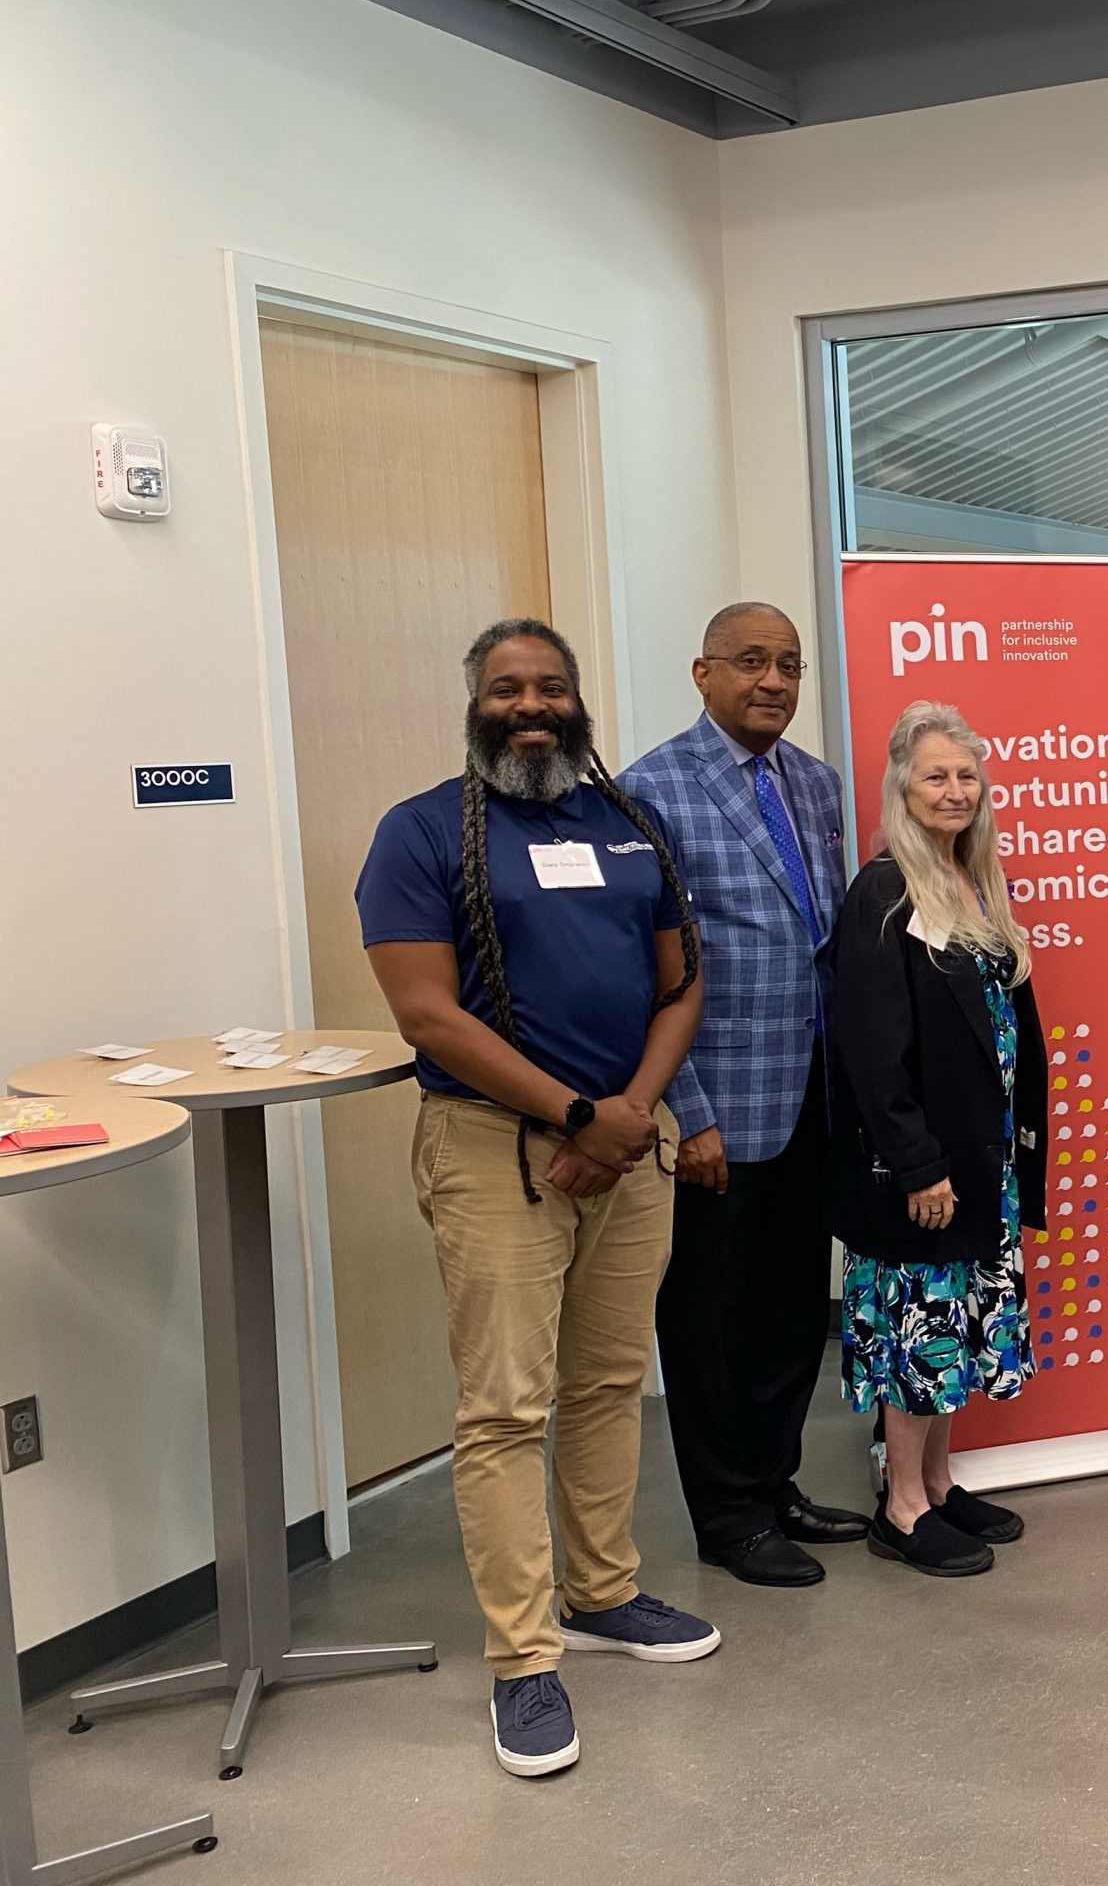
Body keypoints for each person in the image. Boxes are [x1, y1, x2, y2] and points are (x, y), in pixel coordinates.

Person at [358, 618, 719, 1781]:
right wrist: (575, 1116)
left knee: (610, 1381)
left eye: (550, 687)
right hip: (495, 1149)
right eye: (508, 689)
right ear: (476, 703)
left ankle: (602, 1590)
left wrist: (626, 1119)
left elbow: (681, 988)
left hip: (627, 1145)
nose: (531, 706)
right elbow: (430, 1017)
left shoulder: (626, 822)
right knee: (507, 1407)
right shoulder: (418, 834)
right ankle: (522, 1657)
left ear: (577, 702)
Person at [620, 603, 870, 1590]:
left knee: (790, 1310)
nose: (773, 681)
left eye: (790, 666)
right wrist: (688, 1112)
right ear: (702, 672)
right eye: (753, 662)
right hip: (717, 1103)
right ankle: (727, 1516)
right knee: (712, 1318)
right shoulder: (651, 791)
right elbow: (651, 974)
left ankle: (777, 1486)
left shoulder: (815, 783)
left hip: (814, 1090)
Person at [828, 700, 1047, 1578]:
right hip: (923, 1168)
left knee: (959, 1325)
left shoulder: (973, 881)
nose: (953, 791)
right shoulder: (884, 893)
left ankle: (940, 1485)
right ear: (901, 787)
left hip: (979, 1159)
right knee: (920, 1330)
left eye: (966, 776)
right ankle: (902, 1506)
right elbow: (873, 1051)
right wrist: (918, 1163)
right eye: (935, 776)